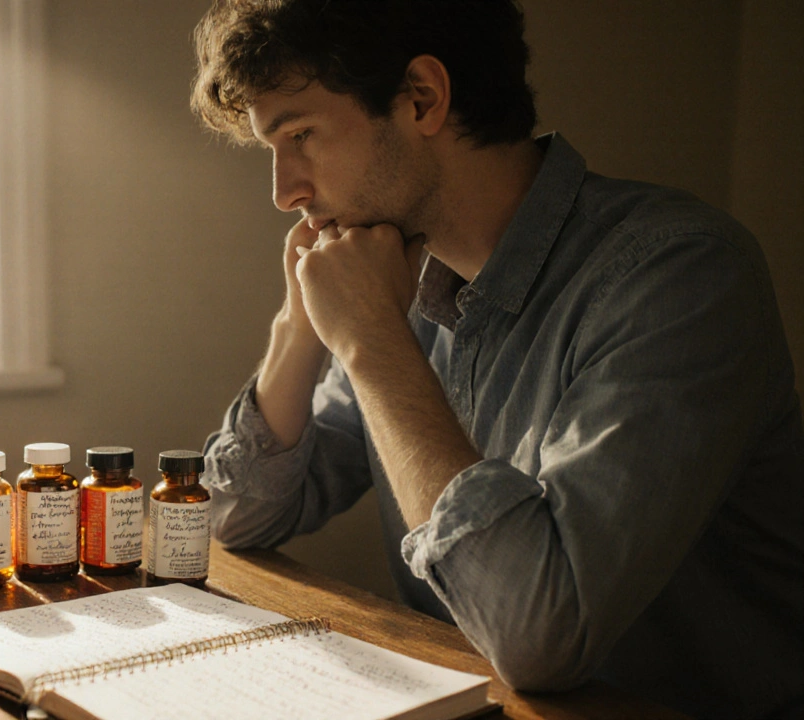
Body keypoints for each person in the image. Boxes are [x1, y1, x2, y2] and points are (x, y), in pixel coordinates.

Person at [190, 1, 804, 718]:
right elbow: (232, 519)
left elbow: (537, 639)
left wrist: (370, 344)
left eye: (300, 134)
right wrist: (301, 326)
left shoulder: (678, 275)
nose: (284, 191)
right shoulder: (403, 280)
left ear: (423, 98)